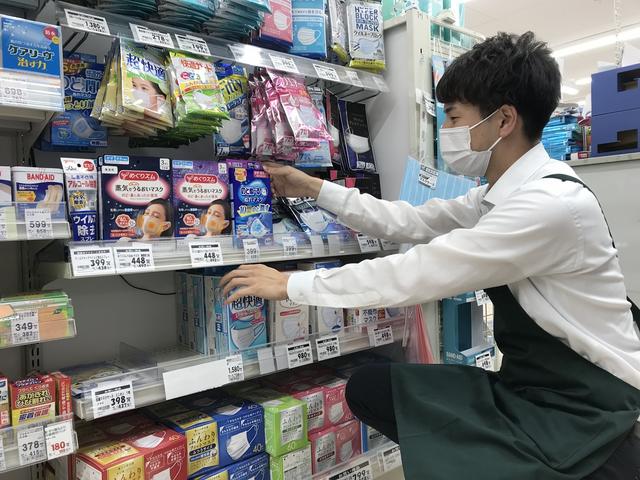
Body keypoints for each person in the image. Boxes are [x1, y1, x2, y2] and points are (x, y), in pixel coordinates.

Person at [220, 31, 640, 479]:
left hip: (590, 401)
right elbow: (408, 221)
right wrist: (314, 188)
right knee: (372, 388)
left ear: (504, 120)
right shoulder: (500, 195)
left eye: (455, 117)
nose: (447, 131)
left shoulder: (547, 206)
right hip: (535, 385)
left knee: (412, 416)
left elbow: (421, 271)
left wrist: (293, 283)